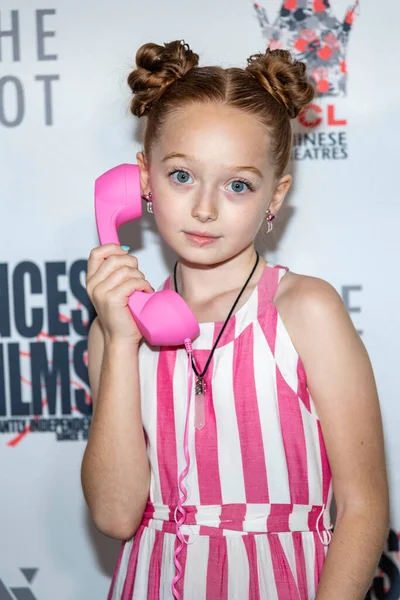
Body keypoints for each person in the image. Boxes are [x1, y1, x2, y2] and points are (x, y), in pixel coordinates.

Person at [81, 40, 389, 600]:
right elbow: (115, 515)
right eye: (181, 176)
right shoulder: (113, 329)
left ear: (276, 196)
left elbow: (365, 508)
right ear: (143, 179)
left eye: (238, 185)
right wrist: (121, 341)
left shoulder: (306, 311)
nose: (204, 207)